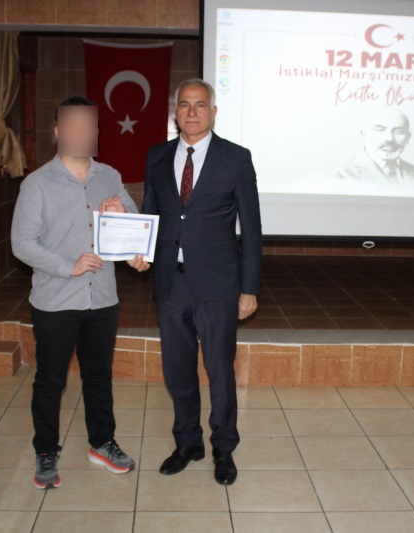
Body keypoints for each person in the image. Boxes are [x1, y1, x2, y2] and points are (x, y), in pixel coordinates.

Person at [127, 79, 262, 486]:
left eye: (200, 105)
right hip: (171, 284)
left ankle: (223, 447)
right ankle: (188, 443)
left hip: (219, 286)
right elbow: (151, 213)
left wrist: (249, 288)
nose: (191, 112)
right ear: (175, 112)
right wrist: (141, 253)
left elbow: (251, 229)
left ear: (213, 112)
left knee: (220, 371)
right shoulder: (157, 156)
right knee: (177, 371)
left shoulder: (236, 158)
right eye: (184, 105)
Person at [11, 96, 138, 490]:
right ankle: (46, 451)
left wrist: (123, 217)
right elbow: (22, 243)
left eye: (90, 126)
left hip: (102, 300)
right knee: (51, 381)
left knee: (98, 377)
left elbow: (136, 230)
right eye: (75, 126)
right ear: (58, 132)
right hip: (55, 302)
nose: (84, 133)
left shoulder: (110, 177)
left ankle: (102, 443)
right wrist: (69, 265)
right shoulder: (36, 184)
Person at [333, 107, 414, 183]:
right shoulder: (342, 174)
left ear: (408, 137)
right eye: (380, 130)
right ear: (365, 135)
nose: (389, 138)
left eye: (399, 132)